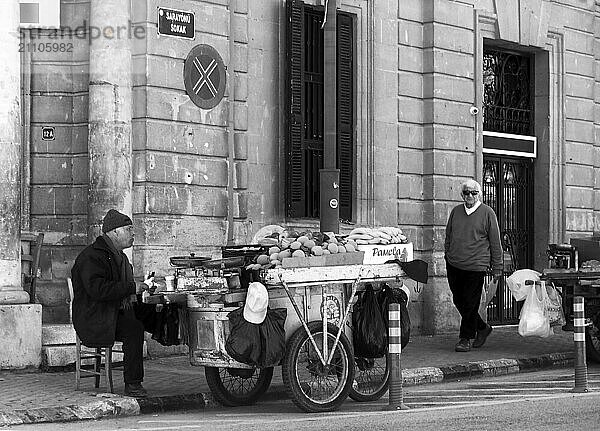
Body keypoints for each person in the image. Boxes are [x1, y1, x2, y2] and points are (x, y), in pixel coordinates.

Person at [71, 209, 157, 397]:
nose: (133, 234)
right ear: (114, 232)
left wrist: (143, 289)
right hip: (95, 316)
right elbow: (98, 289)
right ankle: (133, 384)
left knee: (155, 312)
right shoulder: (91, 256)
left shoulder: (121, 258)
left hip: (113, 311)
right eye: (129, 229)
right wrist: (131, 287)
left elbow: (124, 289)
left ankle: (167, 334)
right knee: (134, 329)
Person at [444, 179, 502, 352]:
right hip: (454, 263)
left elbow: (495, 242)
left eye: (474, 193)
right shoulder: (456, 211)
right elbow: (449, 234)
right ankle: (483, 328)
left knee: (470, 302)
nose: (470, 196)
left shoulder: (487, 213)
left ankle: (465, 338)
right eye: (467, 193)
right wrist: (447, 253)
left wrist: (497, 267)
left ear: (479, 195)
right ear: (462, 195)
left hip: (476, 265)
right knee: (459, 300)